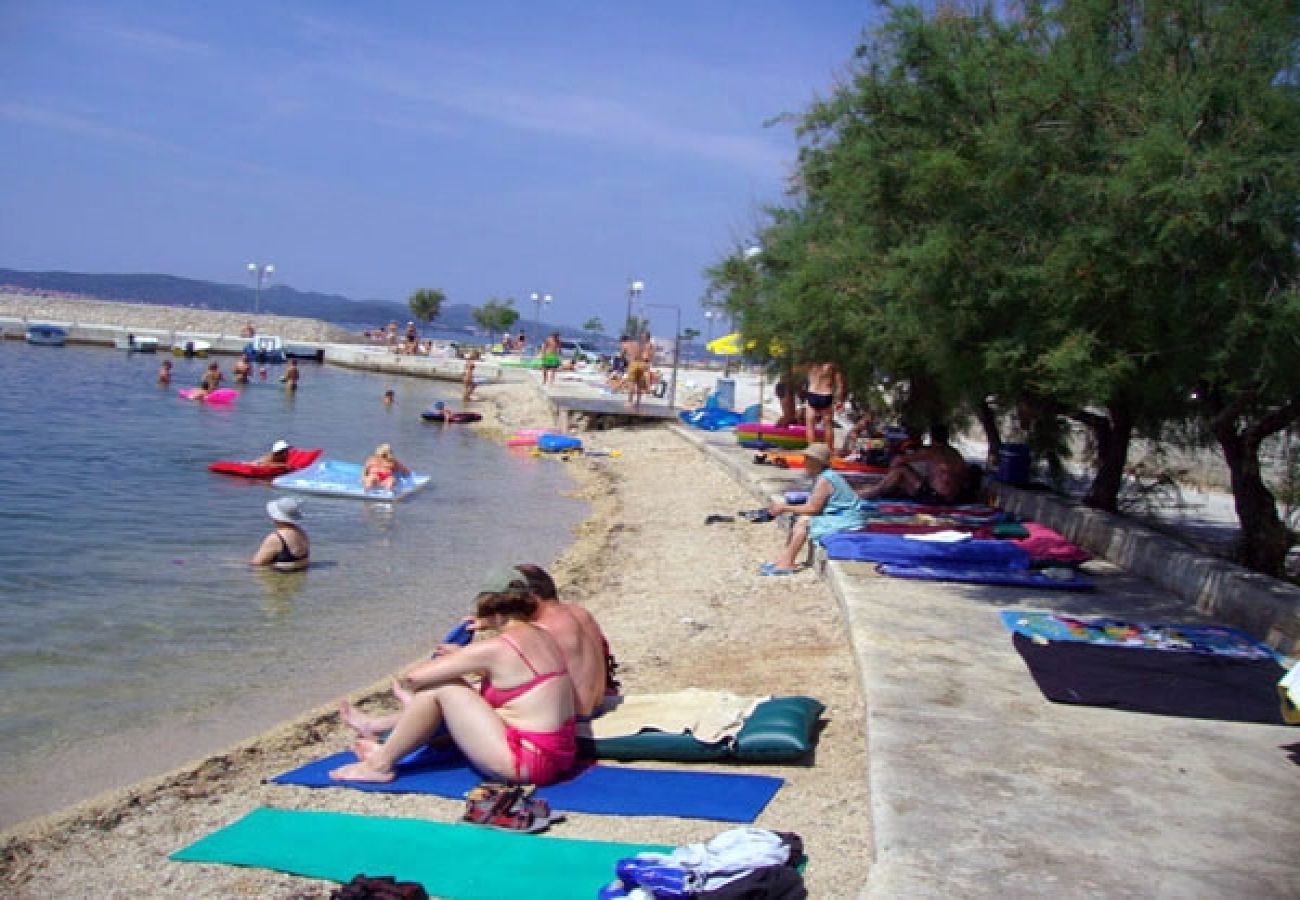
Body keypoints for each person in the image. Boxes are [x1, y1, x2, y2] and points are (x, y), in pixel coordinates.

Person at [331, 569, 577, 785]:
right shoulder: (543, 636)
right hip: (559, 755)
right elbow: (516, 678)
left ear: (490, 608)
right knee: (457, 691)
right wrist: (469, 659)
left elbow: (414, 678)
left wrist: (460, 659)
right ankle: (385, 740)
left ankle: (378, 766)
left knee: (442, 687)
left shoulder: (497, 648)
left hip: (527, 762)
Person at [514, 563, 619, 718]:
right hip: (599, 702)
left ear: (531, 597)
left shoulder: (541, 628)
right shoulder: (580, 613)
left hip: (574, 717)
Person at [760, 443, 866, 576]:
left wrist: (784, 507)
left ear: (817, 462)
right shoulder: (825, 476)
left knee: (804, 521)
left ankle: (787, 562)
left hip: (847, 519)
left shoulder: (825, 479)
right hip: (842, 515)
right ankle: (784, 559)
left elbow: (813, 508)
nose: (804, 462)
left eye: (808, 459)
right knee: (801, 518)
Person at [858, 423, 969, 505]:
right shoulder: (956, 454)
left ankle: (873, 492)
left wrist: (891, 471)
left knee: (901, 470)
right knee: (910, 477)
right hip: (954, 498)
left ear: (932, 437)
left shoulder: (931, 451)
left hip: (935, 498)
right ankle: (885, 489)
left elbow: (898, 460)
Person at [250, 497, 310, 572]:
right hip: (299, 576)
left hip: (280, 579)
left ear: (275, 517)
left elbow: (257, 563)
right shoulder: (301, 532)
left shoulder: (276, 538)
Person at [804, 360, 844, 450]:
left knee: (810, 425)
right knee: (828, 425)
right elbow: (840, 385)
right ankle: (830, 451)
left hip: (812, 393)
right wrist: (840, 401)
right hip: (826, 395)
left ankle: (812, 450)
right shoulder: (833, 365)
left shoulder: (812, 363)